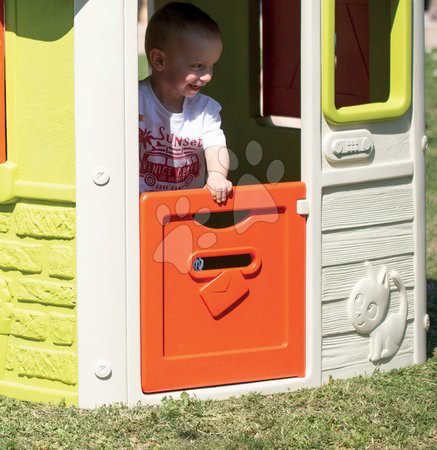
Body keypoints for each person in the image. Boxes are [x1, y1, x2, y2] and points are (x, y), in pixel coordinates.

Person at [139, 2, 232, 204]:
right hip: (141, 211)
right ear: (160, 61)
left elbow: (215, 145)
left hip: (187, 210)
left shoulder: (206, 110)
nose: (207, 76)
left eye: (211, 66)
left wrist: (217, 175)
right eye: (198, 66)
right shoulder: (135, 101)